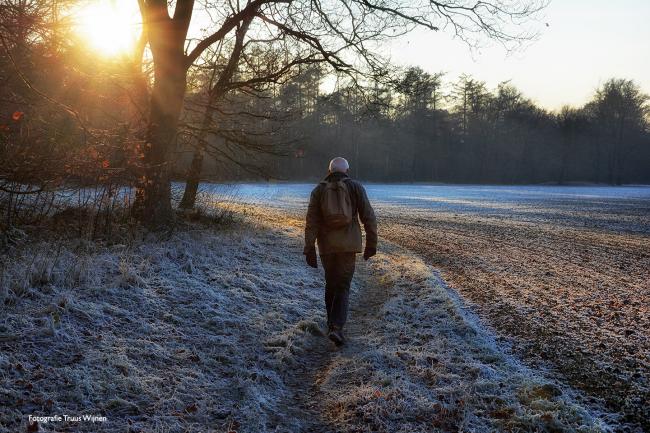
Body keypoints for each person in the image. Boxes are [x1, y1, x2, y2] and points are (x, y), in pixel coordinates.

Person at [303, 157, 377, 346]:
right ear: (347, 170)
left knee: (331, 283)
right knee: (343, 285)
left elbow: (312, 222)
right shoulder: (355, 187)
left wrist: (309, 247)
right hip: (348, 245)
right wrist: (371, 244)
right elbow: (368, 216)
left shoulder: (319, 190)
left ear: (329, 170)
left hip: (327, 246)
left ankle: (331, 325)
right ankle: (337, 328)